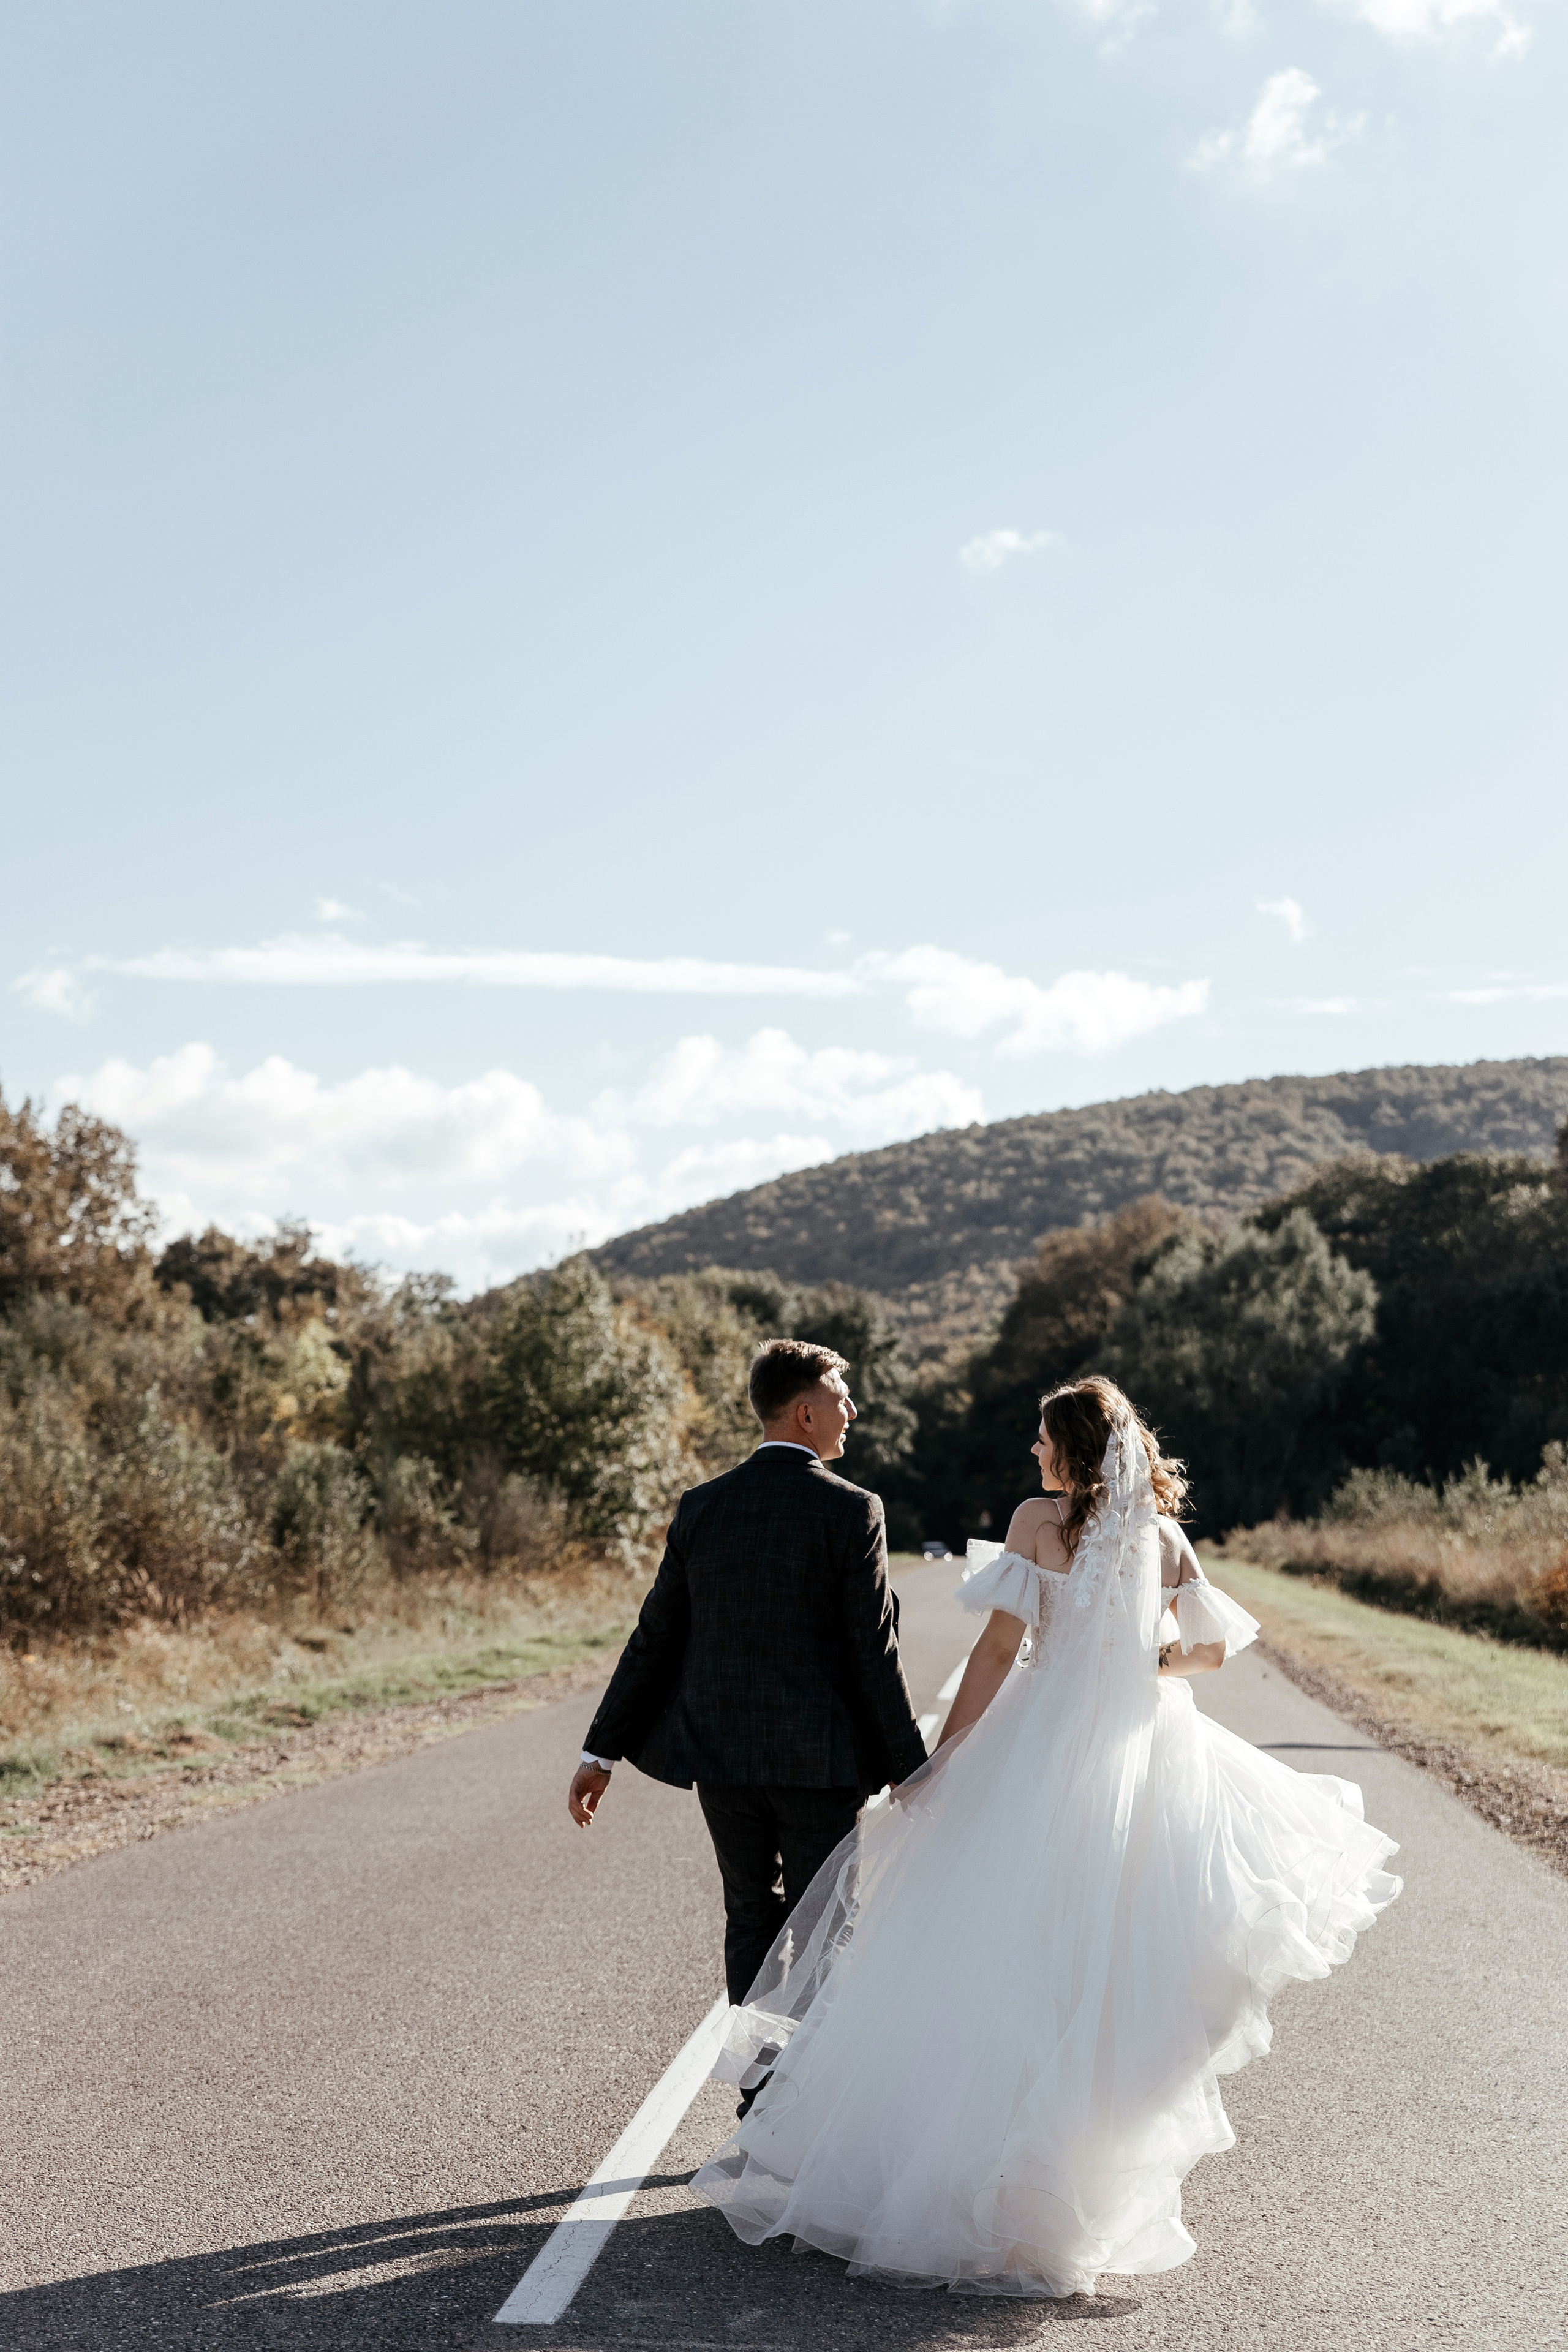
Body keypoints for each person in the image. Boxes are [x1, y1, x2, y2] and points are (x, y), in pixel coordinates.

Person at [692, 1374, 1402, 2299]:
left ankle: (957, 2176)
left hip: (1042, 1739)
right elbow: (1213, 1652)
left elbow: (994, 1652)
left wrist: (941, 1760)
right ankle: (1060, 2195)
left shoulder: (1038, 1520)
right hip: (1139, 1748)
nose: (1033, 1453)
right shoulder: (1165, 1534)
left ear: (1069, 1449)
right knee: (1105, 1970)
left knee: (992, 1951)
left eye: (1041, 1439)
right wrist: (1145, 1661)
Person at [567, 1338, 929, 2035]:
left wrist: (599, 1755)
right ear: (803, 1414)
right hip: (818, 1766)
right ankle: (804, 2101)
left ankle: (757, 2095)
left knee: (750, 1919)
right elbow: (872, 1652)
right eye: (838, 1398)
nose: (850, 1410)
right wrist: (911, 1772)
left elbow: (655, 1637)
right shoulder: (853, 1510)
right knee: (824, 1925)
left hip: (723, 1763)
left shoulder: (702, 1507)